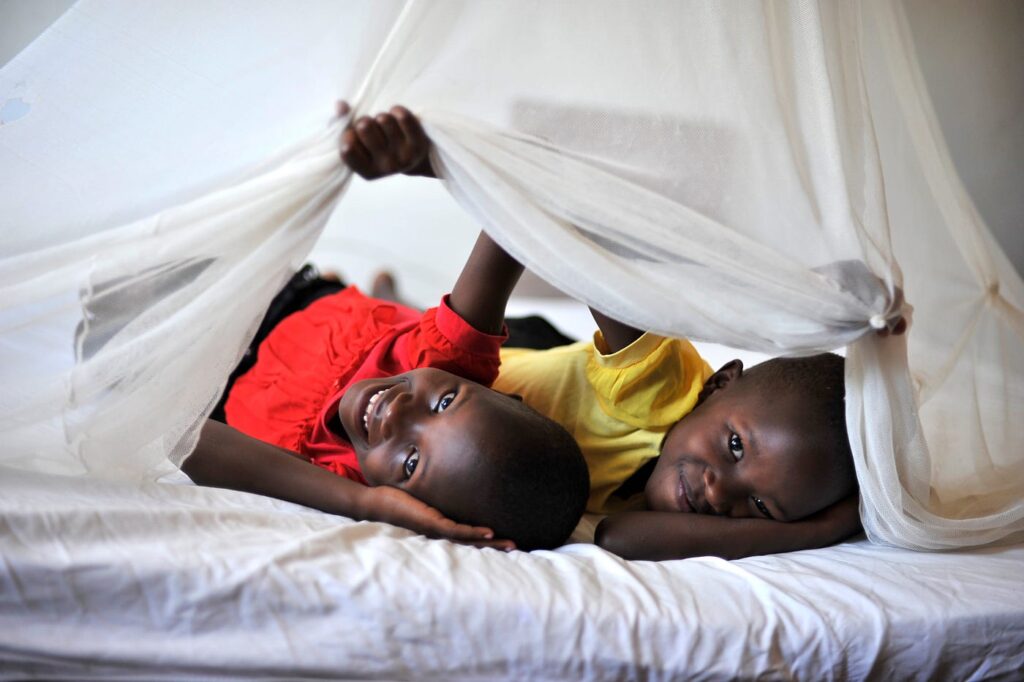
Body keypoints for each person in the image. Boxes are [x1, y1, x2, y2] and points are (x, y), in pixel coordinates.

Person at [338, 103, 905, 561]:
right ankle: (390, 296)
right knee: (438, 335)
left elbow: (619, 539)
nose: (718, 492)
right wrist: (451, 167)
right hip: (511, 367)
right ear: (716, 386)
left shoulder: (672, 503)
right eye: (734, 446)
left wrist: (808, 533)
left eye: (758, 505)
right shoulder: (663, 382)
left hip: (548, 380)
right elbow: (587, 235)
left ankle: (395, 295)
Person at [182, 106, 590, 552]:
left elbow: (187, 438)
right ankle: (389, 296)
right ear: (494, 388)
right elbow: (532, 188)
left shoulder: (333, 480)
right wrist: (427, 161)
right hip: (274, 294)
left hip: (205, 374)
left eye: (411, 462)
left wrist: (365, 501)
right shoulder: (452, 359)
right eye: (446, 400)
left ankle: (392, 295)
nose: (396, 413)